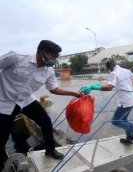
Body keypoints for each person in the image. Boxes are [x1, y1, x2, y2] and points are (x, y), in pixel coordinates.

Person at [0, 40, 81, 170]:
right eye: (53, 56)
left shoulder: (48, 71)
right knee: (2, 135)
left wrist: (73, 93)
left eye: (56, 57)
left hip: (26, 100)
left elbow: (53, 89)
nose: (55, 60)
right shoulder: (16, 57)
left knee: (46, 121)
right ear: (43, 53)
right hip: (4, 101)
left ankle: (50, 150)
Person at [80, 60, 133, 144]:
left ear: (110, 67)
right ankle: (129, 138)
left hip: (125, 101)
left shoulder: (114, 74)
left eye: (108, 69)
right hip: (132, 99)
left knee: (115, 121)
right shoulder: (126, 70)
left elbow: (109, 87)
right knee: (124, 119)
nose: (109, 71)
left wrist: (93, 87)